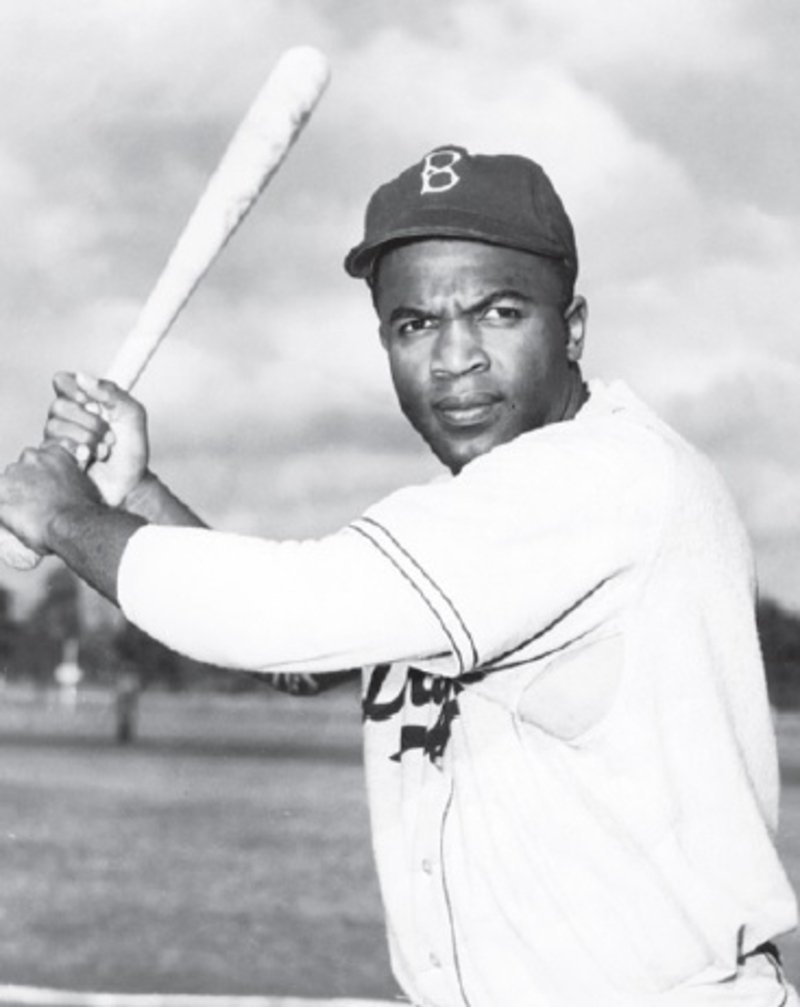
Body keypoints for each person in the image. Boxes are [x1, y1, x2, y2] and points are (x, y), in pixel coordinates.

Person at [0, 144, 798, 1007]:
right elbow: (303, 659)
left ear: (571, 328)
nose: (455, 357)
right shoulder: (484, 516)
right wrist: (133, 494)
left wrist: (67, 516)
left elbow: (284, 613)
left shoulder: (602, 479)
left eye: (498, 312)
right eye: (415, 324)